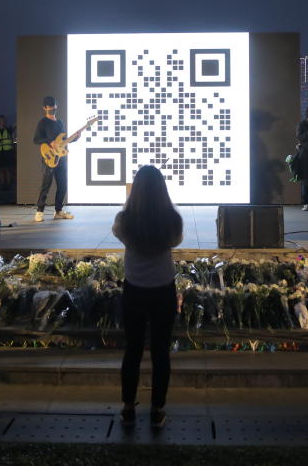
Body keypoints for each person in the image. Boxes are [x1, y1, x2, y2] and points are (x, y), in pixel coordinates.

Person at [112, 165, 182, 430]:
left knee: (132, 351)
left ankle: (128, 409)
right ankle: (157, 410)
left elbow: (119, 235)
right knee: (161, 352)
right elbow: (175, 241)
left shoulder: (125, 219)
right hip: (163, 289)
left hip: (134, 289)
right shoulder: (172, 219)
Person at [33, 96, 73, 222]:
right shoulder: (42, 123)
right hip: (49, 158)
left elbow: (64, 140)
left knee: (62, 185)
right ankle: (39, 211)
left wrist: (76, 137)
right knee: (46, 185)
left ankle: (59, 211)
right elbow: (36, 139)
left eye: (54, 106)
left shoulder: (60, 122)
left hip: (61, 158)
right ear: (44, 108)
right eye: (50, 106)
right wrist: (50, 142)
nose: (52, 108)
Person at [0, 114, 15, 191]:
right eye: (1, 120)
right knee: (1, 169)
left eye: (3, 120)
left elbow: (14, 126)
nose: (2, 121)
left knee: (7, 169)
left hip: (7, 152)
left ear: (5, 121)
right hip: (0, 152)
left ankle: (8, 184)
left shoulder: (8, 129)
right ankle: (3, 185)